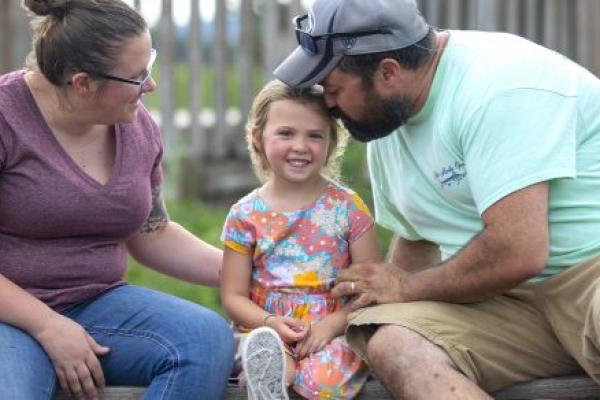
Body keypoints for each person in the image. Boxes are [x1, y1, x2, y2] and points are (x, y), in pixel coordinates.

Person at [273, 0, 600, 398]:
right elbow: (417, 241)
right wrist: (372, 307)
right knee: (396, 344)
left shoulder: (497, 85)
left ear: (388, 72)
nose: (326, 103)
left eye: (335, 88)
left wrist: (406, 289)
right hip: (507, 301)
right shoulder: (388, 128)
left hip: (590, 275)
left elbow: (520, 251)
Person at [0, 1, 234, 399]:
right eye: (137, 76)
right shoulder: (6, 117)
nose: (151, 86)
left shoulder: (137, 125)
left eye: (150, 65)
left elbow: (151, 232)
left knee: (204, 338)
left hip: (97, 305)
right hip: (9, 314)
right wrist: (47, 326)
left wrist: (249, 272)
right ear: (83, 83)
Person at [220, 79, 380, 399]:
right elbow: (233, 297)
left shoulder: (348, 209)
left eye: (315, 136)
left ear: (332, 143)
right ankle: (271, 379)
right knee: (264, 354)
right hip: (266, 328)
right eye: (286, 133)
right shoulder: (245, 214)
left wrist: (333, 325)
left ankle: (281, 382)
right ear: (257, 137)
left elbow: (370, 291)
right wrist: (270, 322)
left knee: (326, 374)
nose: (300, 146)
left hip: (333, 330)